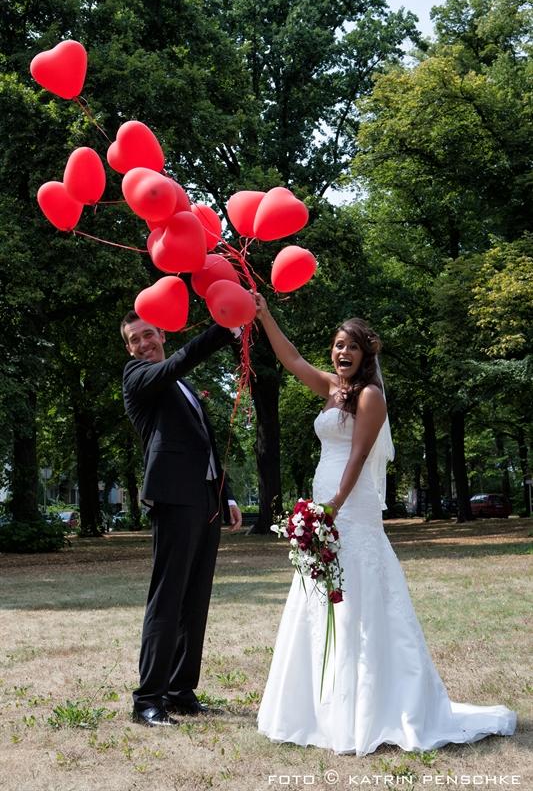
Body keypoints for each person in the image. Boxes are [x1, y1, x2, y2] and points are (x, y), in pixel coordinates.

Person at [254, 294, 516, 755]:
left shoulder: (371, 396)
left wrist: (334, 503)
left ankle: (373, 706)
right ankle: (320, 705)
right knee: (322, 595)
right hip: (323, 500)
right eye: (337, 346)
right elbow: (291, 358)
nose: (342, 354)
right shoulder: (333, 391)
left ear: (365, 353)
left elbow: (357, 455)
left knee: (358, 597)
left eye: (351, 347)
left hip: (350, 506)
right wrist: (264, 314)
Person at [121, 311, 242, 727]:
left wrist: (225, 495)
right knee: (167, 599)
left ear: (162, 334)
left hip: (204, 498)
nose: (143, 344)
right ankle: (147, 700)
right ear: (129, 348)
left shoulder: (182, 386)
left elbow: (204, 441)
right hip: (173, 499)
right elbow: (178, 362)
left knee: (195, 600)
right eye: (135, 339)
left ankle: (180, 692)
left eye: (149, 334)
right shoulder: (137, 377)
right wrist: (227, 326)